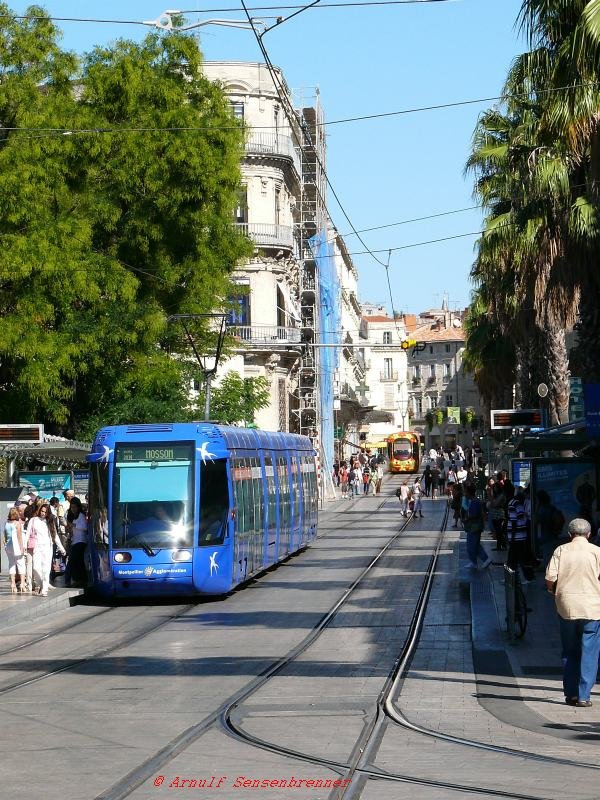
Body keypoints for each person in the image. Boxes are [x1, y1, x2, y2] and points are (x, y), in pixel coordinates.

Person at [545, 518, 600, 707]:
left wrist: (553, 591)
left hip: (566, 605)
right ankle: (584, 695)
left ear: (570, 534)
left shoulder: (561, 550)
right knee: (590, 651)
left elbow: (550, 577)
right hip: (592, 607)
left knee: (569, 650)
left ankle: (571, 694)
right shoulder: (597, 552)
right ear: (589, 534)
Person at [29, 503, 66, 596]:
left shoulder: (50, 521)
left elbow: (55, 536)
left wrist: (62, 548)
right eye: (42, 511)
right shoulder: (33, 520)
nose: (43, 513)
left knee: (46, 569)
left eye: (45, 512)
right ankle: (41, 584)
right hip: (37, 547)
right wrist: (25, 547)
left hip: (48, 547)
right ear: (39, 510)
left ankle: (44, 589)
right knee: (35, 568)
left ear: (48, 513)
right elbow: (28, 533)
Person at [507, 486, 535, 582]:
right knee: (517, 558)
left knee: (515, 558)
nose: (523, 495)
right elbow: (521, 518)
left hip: (516, 536)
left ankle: (517, 578)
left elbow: (514, 521)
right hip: (521, 535)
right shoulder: (519, 504)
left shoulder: (512, 504)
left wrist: (512, 537)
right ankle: (517, 577)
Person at [464, 483, 491, 569]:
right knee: (474, 544)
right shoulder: (473, 501)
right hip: (474, 526)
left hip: (475, 526)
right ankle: (474, 562)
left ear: (469, 493)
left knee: (472, 545)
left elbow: (475, 514)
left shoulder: (475, 502)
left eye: (466, 493)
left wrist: (467, 518)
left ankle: (485, 559)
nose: (465, 494)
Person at [64, 497, 88, 587]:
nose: (73, 509)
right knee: (79, 561)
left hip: (81, 541)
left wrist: (74, 525)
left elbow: (85, 527)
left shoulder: (81, 515)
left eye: (75, 507)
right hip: (75, 540)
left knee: (72, 561)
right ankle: (82, 579)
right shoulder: (73, 516)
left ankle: (67, 580)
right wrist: (69, 528)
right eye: (72, 507)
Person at [4, 508, 26, 593]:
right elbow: (19, 537)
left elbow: (5, 536)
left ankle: (13, 584)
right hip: (16, 546)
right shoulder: (17, 524)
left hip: (8, 546)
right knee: (21, 564)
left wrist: (5, 545)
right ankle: (22, 584)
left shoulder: (6, 523)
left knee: (12, 564)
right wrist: (22, 548)